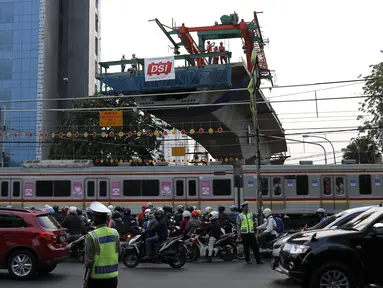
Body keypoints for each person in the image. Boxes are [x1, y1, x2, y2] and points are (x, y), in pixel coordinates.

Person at [83, 202, 120, 288]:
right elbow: (119, 252)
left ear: (94, 218)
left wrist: (85, 280)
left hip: (96, 278)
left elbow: (89, 262)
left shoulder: (92, 235)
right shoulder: (115, 233)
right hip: (113, 276)